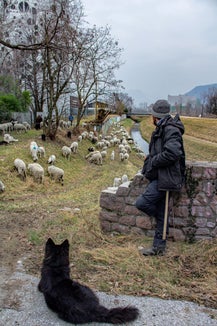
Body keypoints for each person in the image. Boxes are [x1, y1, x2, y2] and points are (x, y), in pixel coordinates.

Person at [135, 99, 186, 256]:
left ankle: (160, 224)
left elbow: (172, 153)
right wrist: (150, 157)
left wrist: (153, 161)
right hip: (162, 176)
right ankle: (158, 248)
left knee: (142, 203)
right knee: (161, 212)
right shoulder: (164, 128)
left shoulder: (170, 129)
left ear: (156, 116)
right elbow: (161, 150)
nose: (150, 117)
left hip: (167, 178)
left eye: (152, 114)